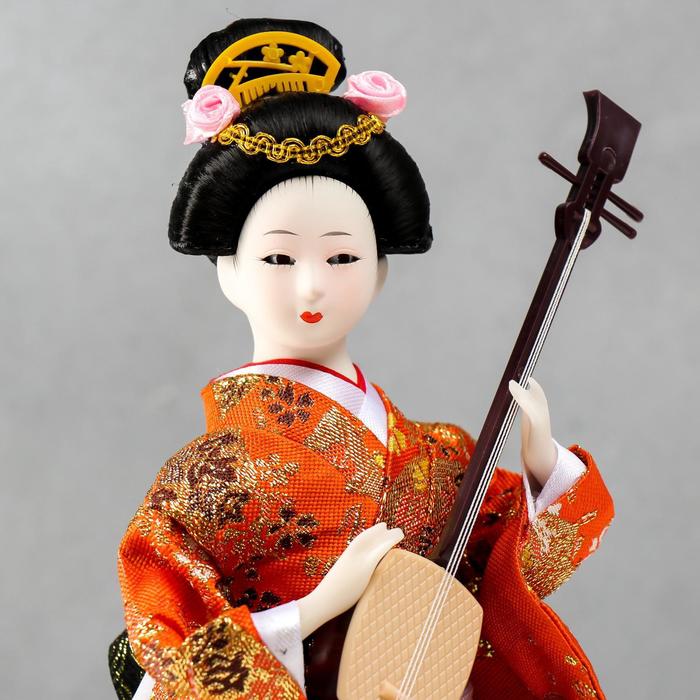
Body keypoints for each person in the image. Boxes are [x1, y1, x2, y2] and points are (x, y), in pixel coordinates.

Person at [110, 17, 614, 700]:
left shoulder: (437, 456)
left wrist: (543, 467)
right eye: (278, 258)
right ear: (228, 271)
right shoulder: (205, 478)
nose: (312, 285)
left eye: (342, 256)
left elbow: (515, 575)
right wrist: (313, 612)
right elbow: (169, 662)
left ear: (379, 271)